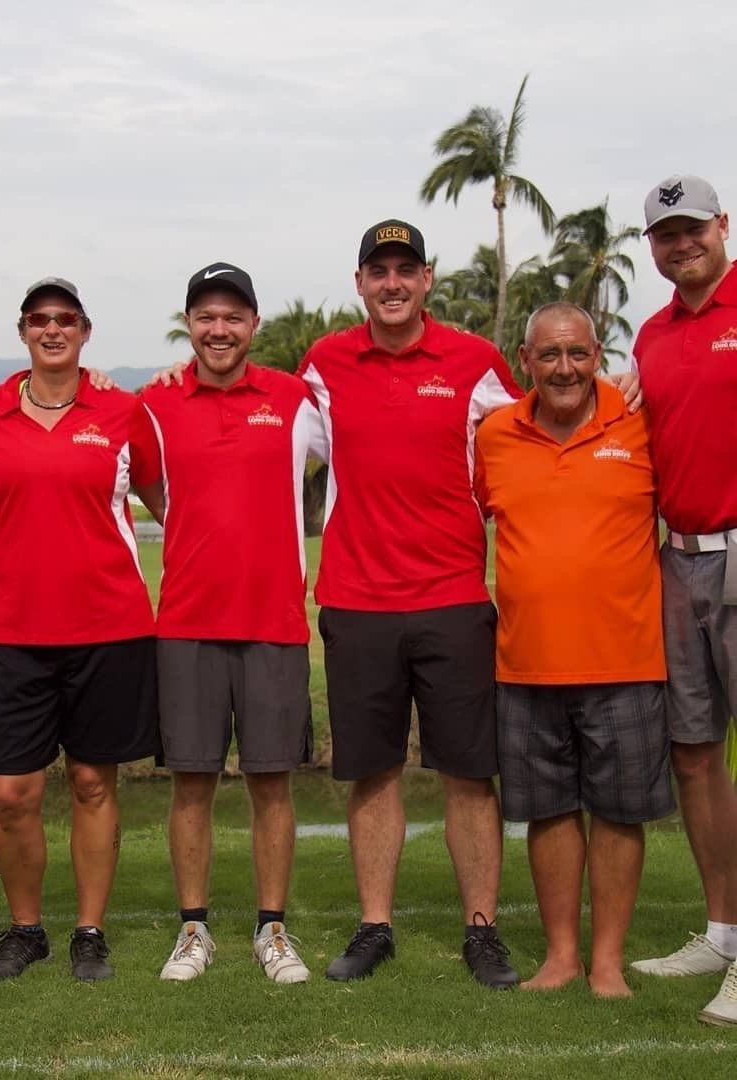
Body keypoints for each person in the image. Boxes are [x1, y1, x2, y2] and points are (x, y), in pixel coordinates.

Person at [295, 219, 523, 988]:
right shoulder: (324, 365)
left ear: (427, 279)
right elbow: (265, 429)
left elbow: (532, 436)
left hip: (455, 599)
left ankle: (482, 929)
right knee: (374, 772)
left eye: (405, 269)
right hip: (357, 602)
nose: (392, 283)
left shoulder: (474, 362)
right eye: (377, 270)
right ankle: (374, 925)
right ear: (359, 282)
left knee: (468, 774)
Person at [0, 277, 163, 984]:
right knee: (13, 793)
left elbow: (167, 503)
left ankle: (89, 933)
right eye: (39, 319)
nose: (52, 329)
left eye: (64, 319)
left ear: (84, 330)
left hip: (109, 626)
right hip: (11, 632)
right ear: (22, 332)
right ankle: (26, 928)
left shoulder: (123, 410)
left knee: (94, 782)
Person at [475, 302, 672, 998]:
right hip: (526, 663)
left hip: (627, 658)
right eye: (549, 355)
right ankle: (561, 956)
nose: (564, 369)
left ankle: (608, 962)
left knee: (619, 812)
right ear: (525, 361)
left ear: (598, 355)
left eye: (578, 354)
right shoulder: (495, 434)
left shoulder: (640, 421)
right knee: (550, 810)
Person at [142, 264, 326, 985]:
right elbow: (144, 481)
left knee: (271, 782)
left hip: (274, 619)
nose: (219, 329)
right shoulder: (153, 403)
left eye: (233, 316)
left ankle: (270, 930)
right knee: (191, 783)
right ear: (189, 323)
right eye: (205, 316)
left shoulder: (295, 399)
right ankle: (194, 931)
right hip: (186, 619)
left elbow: (365, 456)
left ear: (254, 325)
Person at [628, 175, 737, 1027]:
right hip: (680, 560)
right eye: (665, 235)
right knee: (696, 754)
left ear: (722, 226)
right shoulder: (652, 337)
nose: (680, 244)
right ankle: (724, 930)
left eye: (692, 228)